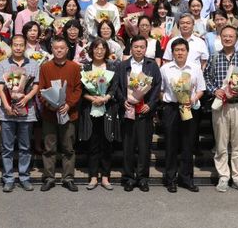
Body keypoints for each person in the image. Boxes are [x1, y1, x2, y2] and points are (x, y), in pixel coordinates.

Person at [204, 25, 238, 193]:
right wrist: (215, 90)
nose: (227, 38)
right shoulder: (213, 57)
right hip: (220, 105)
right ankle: (223, 176)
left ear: (236, 38)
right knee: (221, 143)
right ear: (220, 38)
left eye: (231, 36)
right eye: (224, 36)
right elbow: (206, 78)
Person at [115, 36, 162, 192]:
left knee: (144, 147)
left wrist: (150, 104)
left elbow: (157, 86)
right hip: (128, 110)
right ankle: (128, 177)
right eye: (136, 47)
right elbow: (117, 86)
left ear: (146, 48)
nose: (139, 50)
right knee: (128, 147)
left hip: (144, 112)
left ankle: (142, 178)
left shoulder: (152, 65)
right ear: (131, 48)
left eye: (142, 47)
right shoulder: (123, 65)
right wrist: (122, 101)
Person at [0, 34, 40, 192]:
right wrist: (6, 105)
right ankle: (8, 178)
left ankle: (24, 177)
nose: (18, 48)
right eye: (15, 45)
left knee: (25, 146)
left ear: (25, 46)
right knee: (7, 147)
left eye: (21, 45)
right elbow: (0, 87)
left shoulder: (33, 64)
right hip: (7, 112)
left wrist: (27, 98)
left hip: (27, 111)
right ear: (11, 46)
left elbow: (36, 85)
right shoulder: (3, 64)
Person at [160, 38, 205, 193]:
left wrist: (193, 99)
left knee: (188, 144)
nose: (179, 53)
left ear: (187, 52)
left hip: (188, 107)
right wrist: (165, 101)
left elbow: (201, 89)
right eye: (176, 50)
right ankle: (170, 179)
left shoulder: (195, 68)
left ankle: (186, 179)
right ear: (172, 52)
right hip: (171, 108)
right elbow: (160, 90)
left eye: (182, 50)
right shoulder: (165, 68)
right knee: (170, 144)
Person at [38, 37, 82, 192]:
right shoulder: (45, 67)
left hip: (69, 114)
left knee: (68, 148)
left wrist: (68, 105)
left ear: (67, 50)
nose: (59, 50)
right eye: (56, 48)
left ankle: (68, 178)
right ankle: (49, 178)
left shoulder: (74, 67)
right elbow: (41, 90)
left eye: (62, 48)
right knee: (49, 148)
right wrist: (51, 105)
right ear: (52, 49)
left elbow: (78, 90)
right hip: (50, 115)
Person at [78, 38, 119, 191]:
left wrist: (105, 98)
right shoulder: (85, 67)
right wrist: (92, 98)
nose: (99, 51)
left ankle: (106, 177)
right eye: (96, 48)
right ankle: (93, 176)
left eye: (102, 48)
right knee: (93, 143)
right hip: (90, 108)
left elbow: (114, 87)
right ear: (92, 50)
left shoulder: (112, 66)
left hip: (107, 108)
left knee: (107, 142)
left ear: (106, 50)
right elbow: (81, 90)